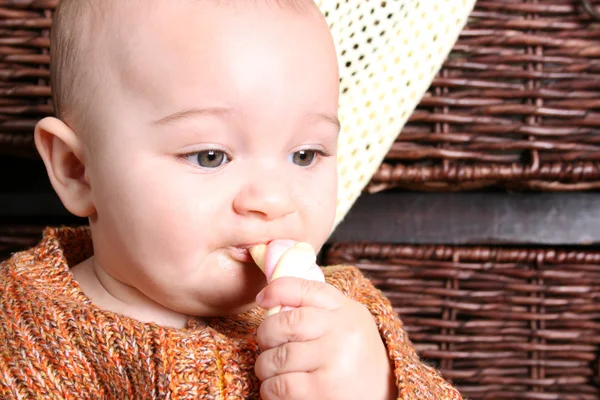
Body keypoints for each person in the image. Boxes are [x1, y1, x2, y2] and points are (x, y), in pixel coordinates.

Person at [0, 1, 463, 399]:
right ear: (77, 170)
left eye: (305, 154)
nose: (273, 199)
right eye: (209, 156)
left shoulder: (348, 315)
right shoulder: (25, 330)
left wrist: (380, 388)